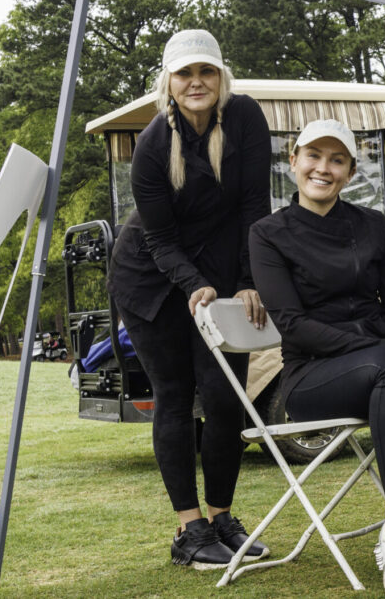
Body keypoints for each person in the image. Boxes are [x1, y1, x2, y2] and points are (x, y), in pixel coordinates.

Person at [248, 119, 385, 599]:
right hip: (311, 376)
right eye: (313, 156)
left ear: (350, 172)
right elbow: (292, 325)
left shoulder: (374, 226)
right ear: (293, 161)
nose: (323, 169)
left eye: (337, 160)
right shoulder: (268, 233)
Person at [107, 29, 272, 570]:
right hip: (151, 278)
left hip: (220, 271)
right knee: (176, 396)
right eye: (184, 73)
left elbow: (255, 206)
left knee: (226, 398)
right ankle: (189, 528)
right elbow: (159, 239)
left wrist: (248, 279)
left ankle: (221, 518)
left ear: (221, 77)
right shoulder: (152, 146)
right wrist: (192, 284)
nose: (196, 82)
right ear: (169, 82)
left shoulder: (245, 118)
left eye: (206, 71)